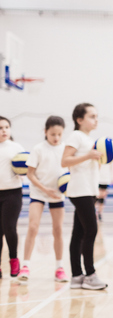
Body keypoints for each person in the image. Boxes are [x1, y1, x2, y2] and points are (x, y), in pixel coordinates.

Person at [61, 103, 108, 290]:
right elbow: (64, 160)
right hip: (80, 191)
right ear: (79, 120)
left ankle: (76, 276)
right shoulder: (76, 136)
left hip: (89, 191)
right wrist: (89, 156)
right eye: (92, 116)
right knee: (91, 230)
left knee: (78, 234)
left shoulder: (90, 140)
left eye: (97, 116)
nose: (96, 120)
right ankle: (90, 274)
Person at [20, 116, 69, 283]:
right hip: (39, 193)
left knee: (58, 230)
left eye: (59, 134)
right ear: (45, 132)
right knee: (33, 227)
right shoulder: (38, 149)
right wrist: (44, 189)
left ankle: (59, 268)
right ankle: (25, 266)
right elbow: (30, 174)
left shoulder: (65, 149)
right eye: (53, 134)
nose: (56, 137)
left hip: (57, 194)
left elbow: (71, 172)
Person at [0, 116, 24, 279]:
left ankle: (14, 259)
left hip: (12, 193)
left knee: (9, 227)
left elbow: (28, 167)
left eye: (6, 127)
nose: (4, 130)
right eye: (1, 128)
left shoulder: (16, 148)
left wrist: (24, 172)